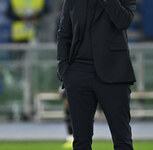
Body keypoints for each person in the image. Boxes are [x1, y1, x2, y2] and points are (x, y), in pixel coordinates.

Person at [57, 0, 137, 150]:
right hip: (78, 74)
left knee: (122, 140)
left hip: (114, 73)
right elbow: (64, 33)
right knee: (81, 142)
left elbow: (124, 21)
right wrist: (64, 69)